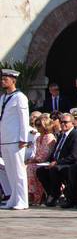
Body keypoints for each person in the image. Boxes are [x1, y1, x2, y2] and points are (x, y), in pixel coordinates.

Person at [0, 67, 30, 209]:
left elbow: (24, 119)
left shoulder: (20, 97)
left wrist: (23, 138)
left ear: (13, 80)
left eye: (5, 79)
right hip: (4, 139)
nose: (2, 81)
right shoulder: (3, 97)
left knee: (18, 171)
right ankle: (13, 198)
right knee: (10, 171)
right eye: (2, 79)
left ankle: (22, 200)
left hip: (15, 140)